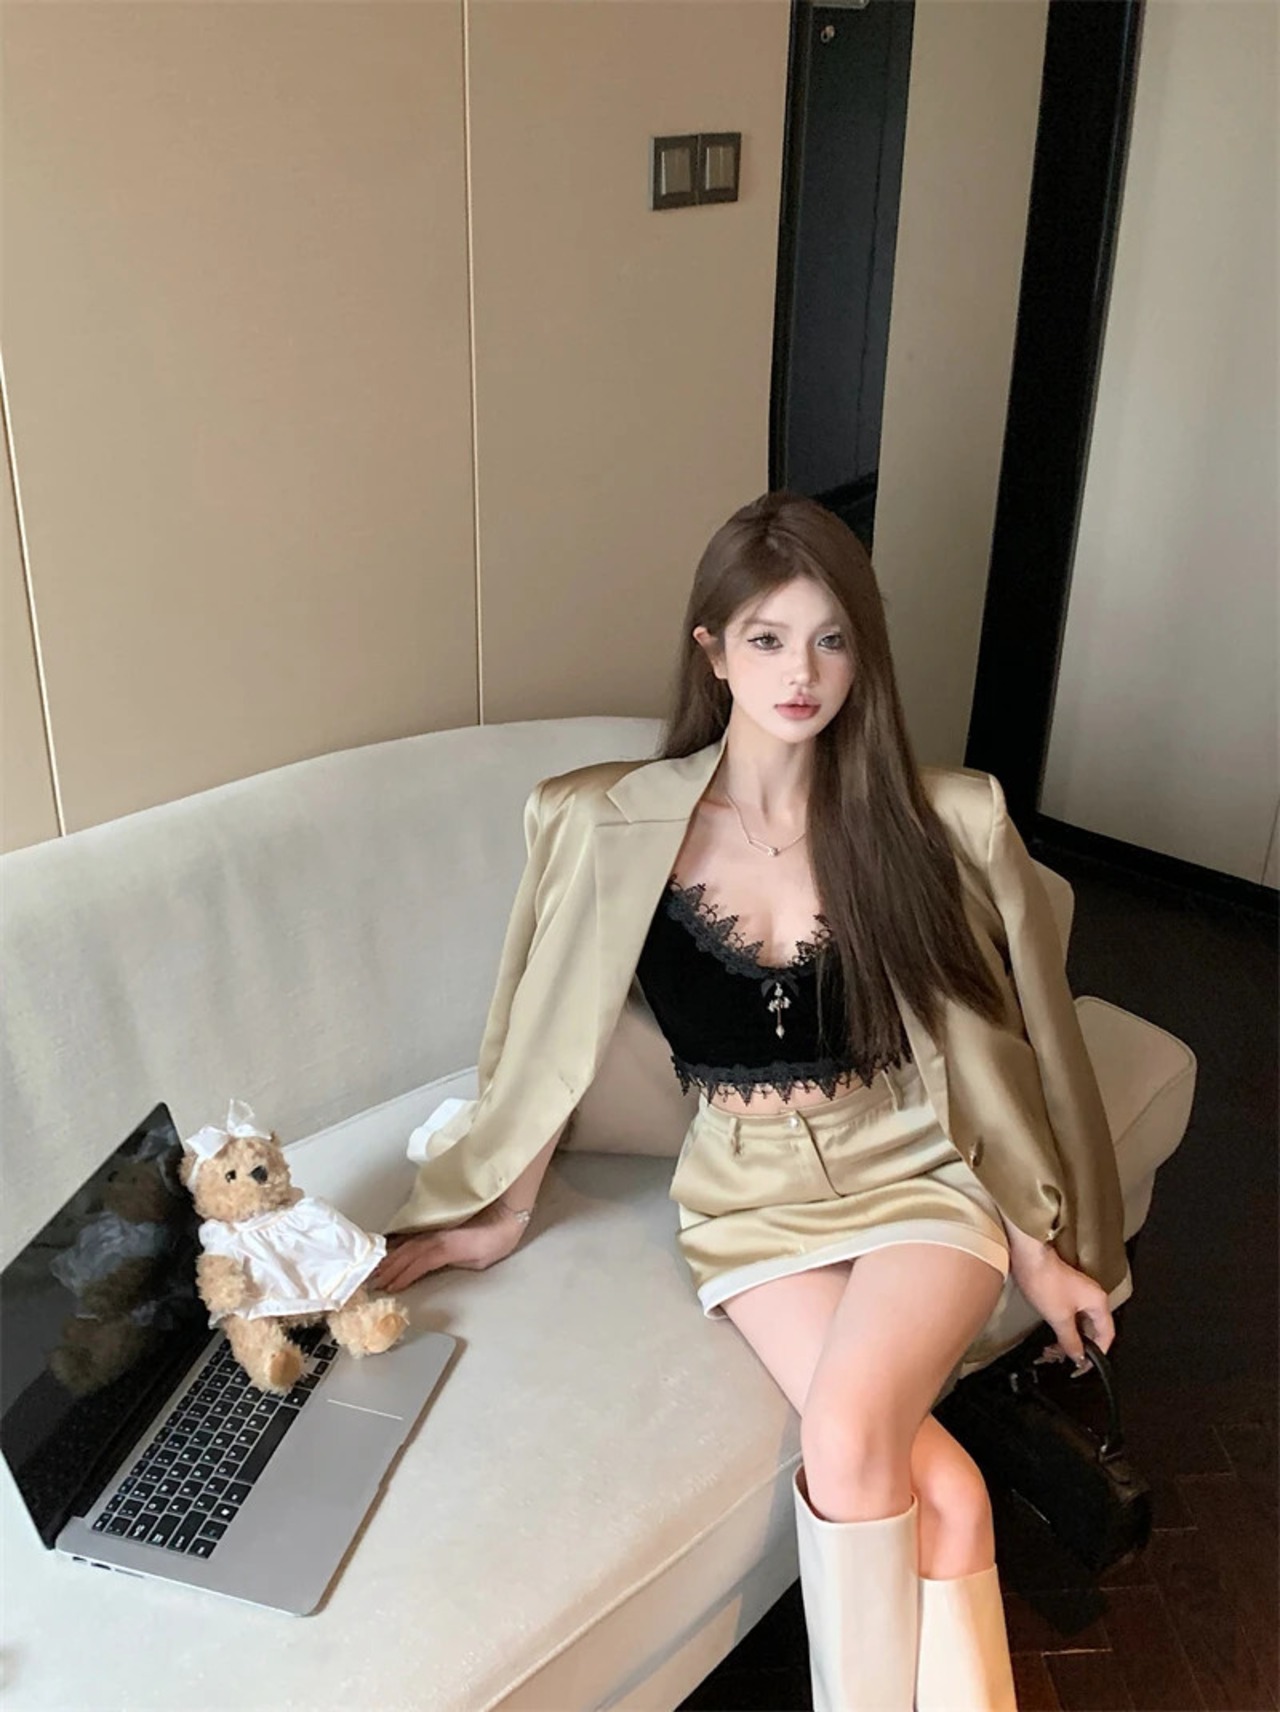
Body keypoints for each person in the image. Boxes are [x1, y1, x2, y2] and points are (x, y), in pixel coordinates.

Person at [373, 492, 1132, 1712]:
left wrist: (1039, 1250)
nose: (801, 672)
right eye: (767, 638)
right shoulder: (606, 822)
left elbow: (997, 1042)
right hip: (745, 1197)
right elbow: (543, 1029)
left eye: (830, 639)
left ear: (861, 655)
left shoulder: (925, 822)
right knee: (945, 1491)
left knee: (846, 1437)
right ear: (711, 649)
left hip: (914, 1169)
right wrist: (495, 1209)